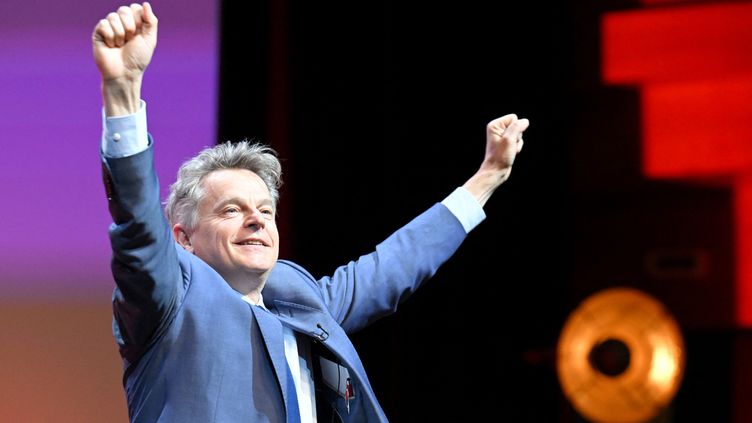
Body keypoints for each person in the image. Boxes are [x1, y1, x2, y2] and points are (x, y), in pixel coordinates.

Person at [93, 3, 530, 422]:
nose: (257, 219)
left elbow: (395, 266)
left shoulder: (298, 299)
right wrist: (123, 92)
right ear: (184, 238)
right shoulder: (169, 297)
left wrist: (488, 176)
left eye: (266, 209)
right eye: (231, 210)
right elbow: (140, 230)